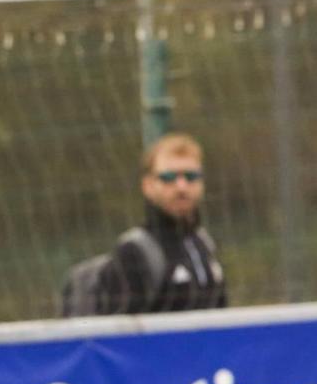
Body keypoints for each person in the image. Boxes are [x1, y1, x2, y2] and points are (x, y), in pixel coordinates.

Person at [96, 133, 228, 314]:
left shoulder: (203, 243)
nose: (181, 186)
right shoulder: (133, 252)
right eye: (168, 177)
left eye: (191, 176)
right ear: (147, 185)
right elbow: (118, 335)